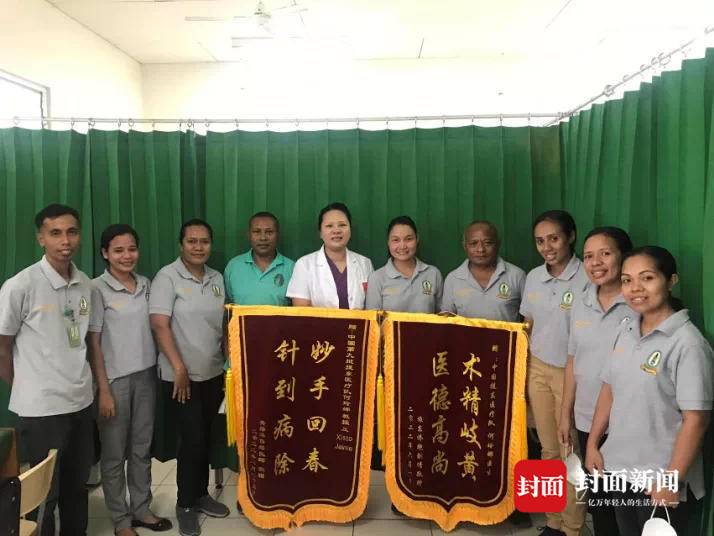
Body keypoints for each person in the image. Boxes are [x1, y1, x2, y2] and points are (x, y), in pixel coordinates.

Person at [585, 246, 712, 536]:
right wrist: (593, 444)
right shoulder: (626, 329)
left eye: (647, 278)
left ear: (671, 280)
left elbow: (696, 419)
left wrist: (671, 480)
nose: (635, 289)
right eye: (627, 280)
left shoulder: (687, 343)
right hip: (620, 469)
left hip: (660, 479)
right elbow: (609, 388)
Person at [0, 204, 97, 536]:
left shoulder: (86, 285)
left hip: (81, 402)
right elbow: (2, 347)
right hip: (41, 410)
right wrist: (27, 386)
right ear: (41, 238)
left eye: (72, 232)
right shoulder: (21, 285)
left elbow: (84, 341)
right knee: (45, 494)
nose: (65, 241)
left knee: (77, 486)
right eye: (55, 233)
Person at [88, 224, 172, 535]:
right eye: (118, 250)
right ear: (105, 253)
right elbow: (93, 343)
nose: (127, 256)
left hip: (146, 377)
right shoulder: (96, 289)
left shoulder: (146, 284)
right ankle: (121, 520)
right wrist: (104, 390)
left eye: (132, 249)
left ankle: (141, 509)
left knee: (141, 448)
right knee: (113, 455)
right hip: (114, 382)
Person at [149, 219, 229, 536]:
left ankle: (200, 495)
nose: (198, 247)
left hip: (213, 372)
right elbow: (159, 324)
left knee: (206, 438)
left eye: (204, 241)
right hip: (180, 377)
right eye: (192, 241)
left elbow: (221, 324)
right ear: (181, 244)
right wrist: (179, 368)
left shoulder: (216, 278)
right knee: (191, 441)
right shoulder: (167, 277)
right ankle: (184, 505)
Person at [558, 227, 633, 536]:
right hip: (589, 419)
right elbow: (572, 360)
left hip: (627, 424)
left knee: (628, 508)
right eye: (588, 256)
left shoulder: (638, 302)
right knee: (601, 504)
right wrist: (565, 414)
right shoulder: (581, 301)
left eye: (605, 253)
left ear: (624, 257)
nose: (596, 263)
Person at [520, 209, 588, 536]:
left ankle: (573, 527)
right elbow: (528, 324)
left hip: (571, 374)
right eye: (540, 241)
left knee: (569, 451)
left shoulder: (587, 275)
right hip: (537, 368)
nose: (547, 247)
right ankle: (553, 522)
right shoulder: (534, 277)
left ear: (570, 237)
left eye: (554, 239)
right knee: (547, 449)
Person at [287, 202, 373, 309]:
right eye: (329, 226)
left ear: (350, 230)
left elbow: (372, 307)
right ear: (320, 233)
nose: (336, 230)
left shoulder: (365, 264)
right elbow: (301, 309)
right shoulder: (304, 265)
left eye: (342, 225)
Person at [440, 220, 525, 321]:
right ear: (465, 246)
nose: (480, 249)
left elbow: (529, 317)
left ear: (498, 244)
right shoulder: (453, 279)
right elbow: (446, 320)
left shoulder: (517, 275)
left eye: (487, 243)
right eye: (473, 243)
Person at [365, 215, 442, 313]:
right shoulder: (377, 278)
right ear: (388, 242)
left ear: (417, 239)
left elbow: (441, 316)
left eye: (408, 239)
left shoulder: (433, 274)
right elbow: (373, 319)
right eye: (396, 240)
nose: (402, 246)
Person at [223, 211, 295, 306]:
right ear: (249, 235)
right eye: (257, 232)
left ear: (277, 235)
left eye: (269, 232)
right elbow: (227, 305)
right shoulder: (234, 266)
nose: (263, 238)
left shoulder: (291, 268)